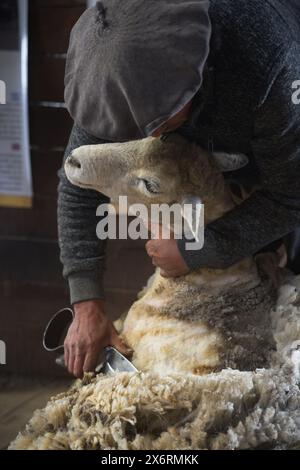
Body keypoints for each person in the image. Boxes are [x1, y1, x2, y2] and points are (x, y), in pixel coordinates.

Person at [58, 0, 300, 378]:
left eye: (159, 118)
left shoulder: (267, 57)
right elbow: (77, 184)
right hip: (209, 159)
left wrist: (199, 249)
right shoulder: (115, 71)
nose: (149, 133)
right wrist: (87, 302)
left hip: (278, 136)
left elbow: (292, 194)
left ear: (193, 74)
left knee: (289, 318)